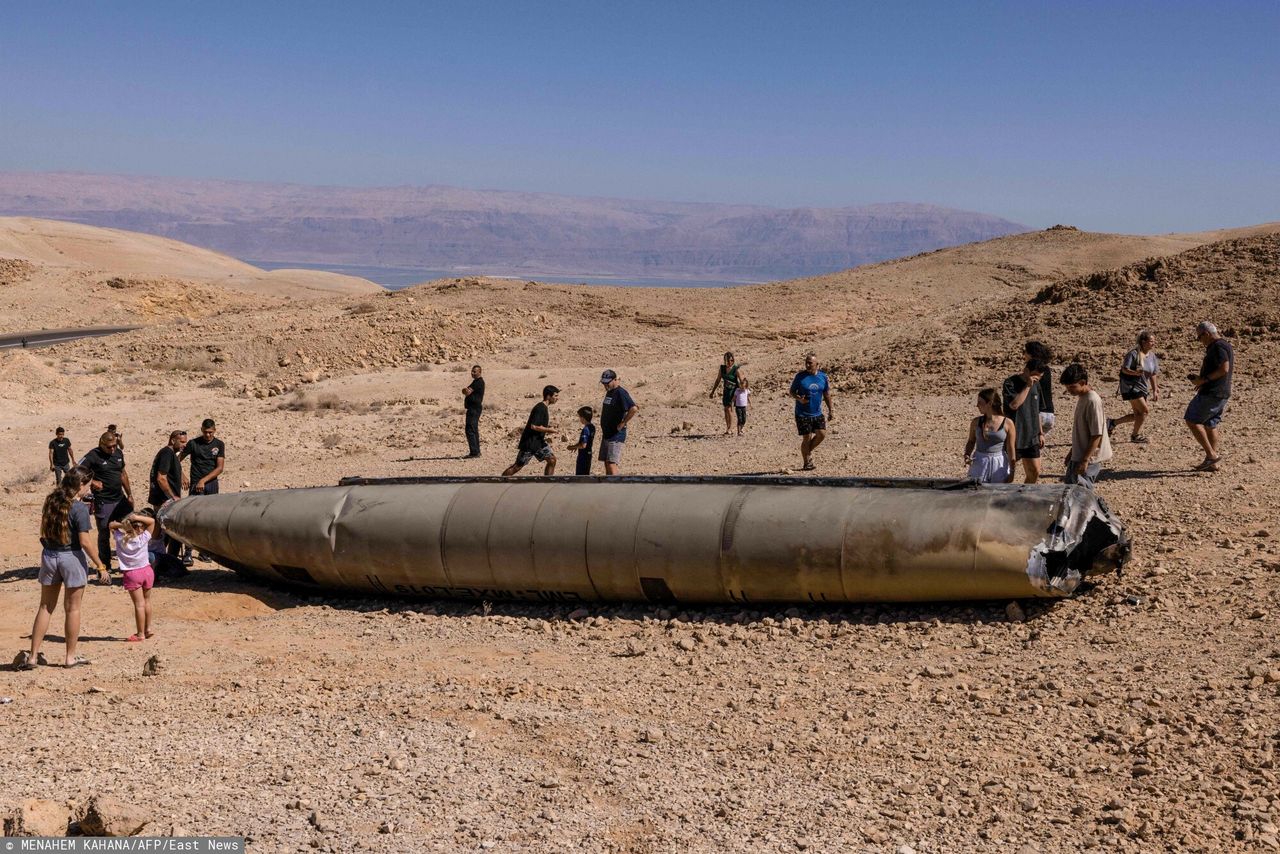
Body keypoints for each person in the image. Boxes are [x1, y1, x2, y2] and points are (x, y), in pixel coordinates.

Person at [14, 467, 104, 669]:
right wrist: (101, 565)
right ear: (80, 485)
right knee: (73, 609)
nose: (89, 490)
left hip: (49, 556)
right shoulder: (79, 508)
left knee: (45, 607)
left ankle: (33, 656)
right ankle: (70, 657)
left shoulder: (51, 501)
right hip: (70, 557)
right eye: (87, 485)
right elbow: (85, 542)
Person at [1184, 321, 1234, 472]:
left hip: (1212, 392)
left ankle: (1211, 455)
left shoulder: (1217, 346)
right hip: (1220, 391)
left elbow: (1224, 369)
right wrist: (1201, 381)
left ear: (1206, 334)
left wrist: (1204, 380)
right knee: (1210, 424)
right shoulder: (1224, 345)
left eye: (1200, 337)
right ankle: (1212, 463)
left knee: (1192, 420)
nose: (1200, 341)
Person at [81, 430, 133, 575]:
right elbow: (76, 471)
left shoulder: (118, 453)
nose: (112, 449)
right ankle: (104, 565)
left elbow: (123, 474)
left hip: (120, 499)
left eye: (114, 446)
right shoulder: (93, 455)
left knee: (130, 528)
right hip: (103, 501)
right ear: (101, 444)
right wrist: (92, 481)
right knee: (104, 534)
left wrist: (129, 494)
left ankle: (130, 563)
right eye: (109, 447)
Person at [179, 419, 226, 565]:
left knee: (209, 518)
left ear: (215, 430)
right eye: (205, 432)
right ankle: (187, 552)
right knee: (192, 518)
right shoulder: (193, 443)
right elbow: (177, 460)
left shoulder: (219, 444)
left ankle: (205, 551)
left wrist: (204, 481)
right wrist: (182, 475)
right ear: (201, 430)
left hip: (211, 484)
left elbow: (219, 468)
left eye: (210, 432)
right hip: (195, 485)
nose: (208, 435)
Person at [1060, 363, 1112, 489]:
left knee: (1082, 492)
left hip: (1088, 458)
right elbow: (1083, 432)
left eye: (1072, 387)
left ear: (1083, 382)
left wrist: (1085, 460)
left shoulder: (1092, 401)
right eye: (1067, 387)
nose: (1069, 390)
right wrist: (1072, 453)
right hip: (1079, 455)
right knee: (1070, 489)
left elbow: (1096, 434)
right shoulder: (1082, 397)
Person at [109, 511, 157, 642]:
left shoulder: (120, 538)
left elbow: (111, 525)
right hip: (147, 570)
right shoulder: (143, 538)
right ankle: (148, 629)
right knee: (147, 601)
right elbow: (152, 521)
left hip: (132, 573)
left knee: (139, 604)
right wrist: (136, 517)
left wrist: (124, 525)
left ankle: (140, 633)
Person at [1110, 330, 1160, 443]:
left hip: (1143, 387)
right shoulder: (1133, 354)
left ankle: (1112, 423)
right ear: (1143, 341)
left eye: (1154, 341)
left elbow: (1153, 373)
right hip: (1131, 386)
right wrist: (1135, 373)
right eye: (1151, 341)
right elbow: (1124, 369)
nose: (1153, 343)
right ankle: (1135, 436)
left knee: (1138, 414)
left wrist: (1155, 389)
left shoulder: (1152, 356)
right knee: (1145, 411)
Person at [1003, 359, 1048, 483]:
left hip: (1032, 436)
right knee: (1006, 474)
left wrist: (1041, 432)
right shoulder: (1010, 383)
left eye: (1040, 377)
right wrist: (1028, 386)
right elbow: (1014, 405)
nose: (1037, 379)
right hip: (1015, 435)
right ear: (1026, 370)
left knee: (1035, 471)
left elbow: (1037, 410)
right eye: (1035, 375)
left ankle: (1023, 496)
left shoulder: (1037, 385)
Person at [789, 354, 834, 471]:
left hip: (817, 412)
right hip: (802, 413)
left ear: (817, 365)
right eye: (806, 363)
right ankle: (807, 463)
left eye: (810, 363)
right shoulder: (800, 376)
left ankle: (807, 451)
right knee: (807, 438)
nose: (808, 365)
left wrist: (831, 410)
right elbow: (792, 391)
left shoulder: (823, 377)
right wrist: (799, 399)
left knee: (822, 434)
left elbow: (827, 394)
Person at [503, 386, 559, 476]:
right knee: (517, 466)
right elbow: (534, 426)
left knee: (552, 460)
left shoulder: (544, 408)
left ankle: (548, 482)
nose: (557, 398)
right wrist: (549, 430)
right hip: (530, 443)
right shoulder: (540, 408)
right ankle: (501, 482)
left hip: (539, 443)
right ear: (548, 396)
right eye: (555, 396)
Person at [149, 430, 188, 559]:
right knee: (166, 534)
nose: (184, 445)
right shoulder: (167, 453)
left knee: (167, 534)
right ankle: (162, 563)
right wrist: (172, 497)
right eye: (182, 442)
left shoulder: (170, 454)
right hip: (164, 501)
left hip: (166, 500)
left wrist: (181, 475)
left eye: (185, 442)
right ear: (173, 440)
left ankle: (165, 562)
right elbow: (161, 478)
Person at [963, 389, 1016, 483]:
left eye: (980, 402)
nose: (977, 405)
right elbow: (971, 441)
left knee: (998, 493)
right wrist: (967, 454)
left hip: (999, 463)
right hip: (980, 462)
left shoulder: (1007, 423)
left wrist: (1012, 472)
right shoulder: (976, 422)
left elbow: (1011, 449)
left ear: (990, 404)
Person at [599, 370, 639, 476]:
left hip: (615, 435)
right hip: (607, 433)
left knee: (612, 463)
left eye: (607, 382)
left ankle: (616, 487)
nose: (605, 385)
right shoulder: (610, 391)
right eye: (603, 383)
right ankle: (609, 486)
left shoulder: (621, 392)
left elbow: (633, 408)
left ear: (615, 380)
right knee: (607, 462)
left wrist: (623, 422)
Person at [708, 352, 745, 437]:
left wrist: (743, 391)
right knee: (726, 409)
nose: (730, 362)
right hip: (726, 391)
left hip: (734, 392)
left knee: (729, 409)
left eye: (732, 360)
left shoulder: (736, 369)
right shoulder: (722, 369)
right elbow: (718, 380)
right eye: (728, 361)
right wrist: (713, 391)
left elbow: (742, 381)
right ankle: (728, 427)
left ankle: (730, 429)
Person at [1025, 342, 1055, 433]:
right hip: (1049, 414)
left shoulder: (1032, 369)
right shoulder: (1046, 369)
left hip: (1038, 414)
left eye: (1026, 352)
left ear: (1031, 354)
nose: (1024, 355)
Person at [462, 365, 485, 458]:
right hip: (474, 408)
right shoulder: (476, 382)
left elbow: (467, 392)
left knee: (470, 429)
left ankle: (474, 452)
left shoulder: (478, 382)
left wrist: (465, 390)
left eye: (475, 371)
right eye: (472, 371)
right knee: (473, 429)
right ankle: (476, 451)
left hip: (474, 409)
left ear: (479, 372)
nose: (472, 373)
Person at [567, 406, 596, 476]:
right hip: (589, 454)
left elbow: (583, 445)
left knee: (580, 476)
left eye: (579, 417)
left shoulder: (585, 429)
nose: (579, 419)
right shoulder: (592, 427)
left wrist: (573, 447)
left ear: (583, 418)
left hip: (583, 456)